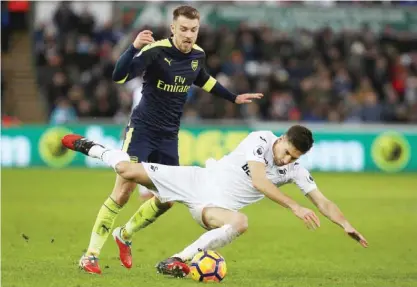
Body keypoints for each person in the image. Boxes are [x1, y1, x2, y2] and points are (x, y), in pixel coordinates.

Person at [79, 5, 263, 274]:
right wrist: (132, 47)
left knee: (166, 200)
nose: (189, 35)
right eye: (184, 29)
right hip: (142, 130)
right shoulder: (156, 51)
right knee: (123, 191)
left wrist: (233, 97)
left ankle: (125, 234)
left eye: (194, 30)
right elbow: (119, 77)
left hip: (168, 137)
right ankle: (91, 255)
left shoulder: (198, 55)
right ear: (173, 28)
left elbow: (203, 79)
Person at [62, 125, 368, 277]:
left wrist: (345, 224)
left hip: (213, 209)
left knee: (241, 222)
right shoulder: (261, 139)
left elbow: (322, 201)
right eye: (287, 151)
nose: (287, 160)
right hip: (197, 179)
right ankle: (92, 147)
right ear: (282, 139)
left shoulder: (296, 170)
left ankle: (177, 260)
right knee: (126, 170)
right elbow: (260, 181)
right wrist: (294, 206)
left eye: (294, 158)